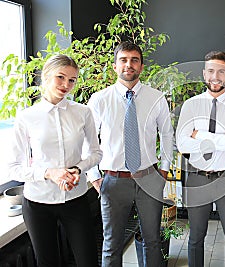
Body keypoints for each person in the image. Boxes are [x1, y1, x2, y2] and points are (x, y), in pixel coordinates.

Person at [7, 54, 102, 267]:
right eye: (60, 77)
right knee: (47, 263)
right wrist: (49, 173)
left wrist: (77, 169)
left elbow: (96, 153)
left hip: (75, 199)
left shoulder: (83, 112)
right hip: (38, 202)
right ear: (46, 76)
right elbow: (14, 168)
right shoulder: (26, 117)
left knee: (88, 260)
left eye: (72, 80)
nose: (66, 85)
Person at [87, 41, 174, 267]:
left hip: (149, 178)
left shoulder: (156, 98)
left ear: (141, 66)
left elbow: (166, 134)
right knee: (111, 244)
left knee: (153, 241)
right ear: (115, 66)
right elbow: (87, 140)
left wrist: (163, 170)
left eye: (134, 60)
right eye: (123, 60)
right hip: (113, 180)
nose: (129, 65)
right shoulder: (99, 100)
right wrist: (94, 176)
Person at [176, 51, 225, 267]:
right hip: (198, 177)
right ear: (204, 74)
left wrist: (200, 135)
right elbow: (183, 145)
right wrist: (223, 137)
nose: (215, 76)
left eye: (220, 71)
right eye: (210, 71)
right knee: (196, 238)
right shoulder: (191, 105)